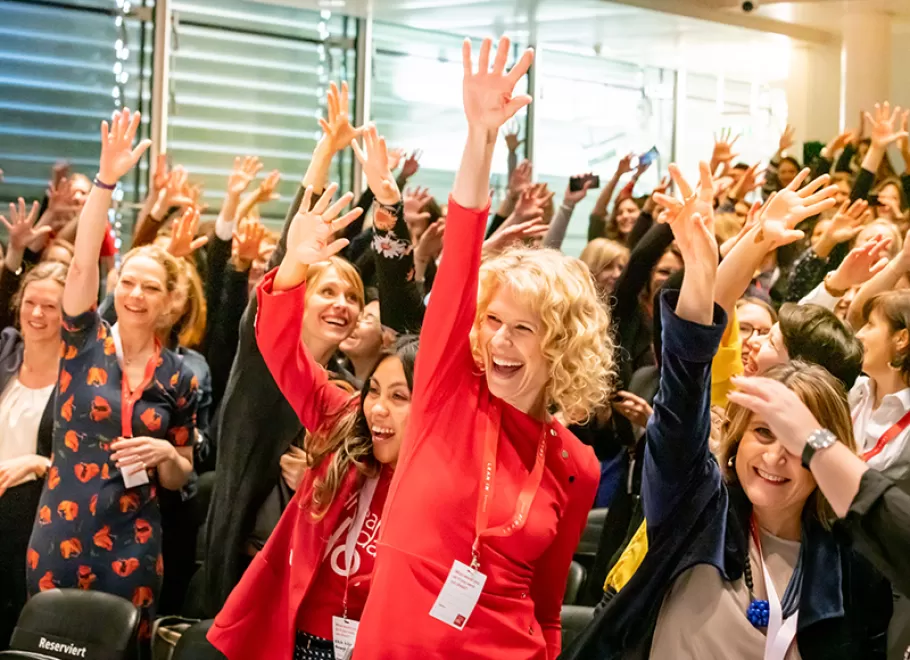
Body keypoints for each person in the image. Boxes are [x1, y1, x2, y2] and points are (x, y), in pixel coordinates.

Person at [563, 160, 892, 660]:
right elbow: (683, 383)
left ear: (828, 452)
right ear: (736, 440)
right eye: (763, 433)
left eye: (797, 442)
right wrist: (717, 261)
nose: (777, 456)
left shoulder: (853, 567)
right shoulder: (696, 505)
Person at [352, 37, 613, 659]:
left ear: (563, 347)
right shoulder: (447, 389)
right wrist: (480, 138)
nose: (499, 339)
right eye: (493, 320)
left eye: (523, 328)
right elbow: (464, 240)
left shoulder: (578, 465)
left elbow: (548, 613)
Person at [208, 180, 418, 659]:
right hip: (291, 609)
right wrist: (296, 260)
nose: (381, 408)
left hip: (380, 636)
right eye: (377, 394)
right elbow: (274, 338)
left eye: (401, 397)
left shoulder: (354, 396)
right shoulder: (342, 410)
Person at [25, 109, 199, 646]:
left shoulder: (181, 377)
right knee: (46, 648)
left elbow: (181, 474)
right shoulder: (83, 340)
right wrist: (105, 180)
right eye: (127, 281)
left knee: (124, 651)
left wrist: (167, 456)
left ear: (170, 300)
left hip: (135, 540)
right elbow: (81, 263)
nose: (134, 294)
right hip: (61, 528)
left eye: (150, 287)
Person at [0, 261, 66, 650]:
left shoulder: (80, 377)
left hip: (33, 520)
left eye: (50, 307)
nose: (37, 314)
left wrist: (40, 464)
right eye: (30, 303)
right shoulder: (5, 353)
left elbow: (87, 461)